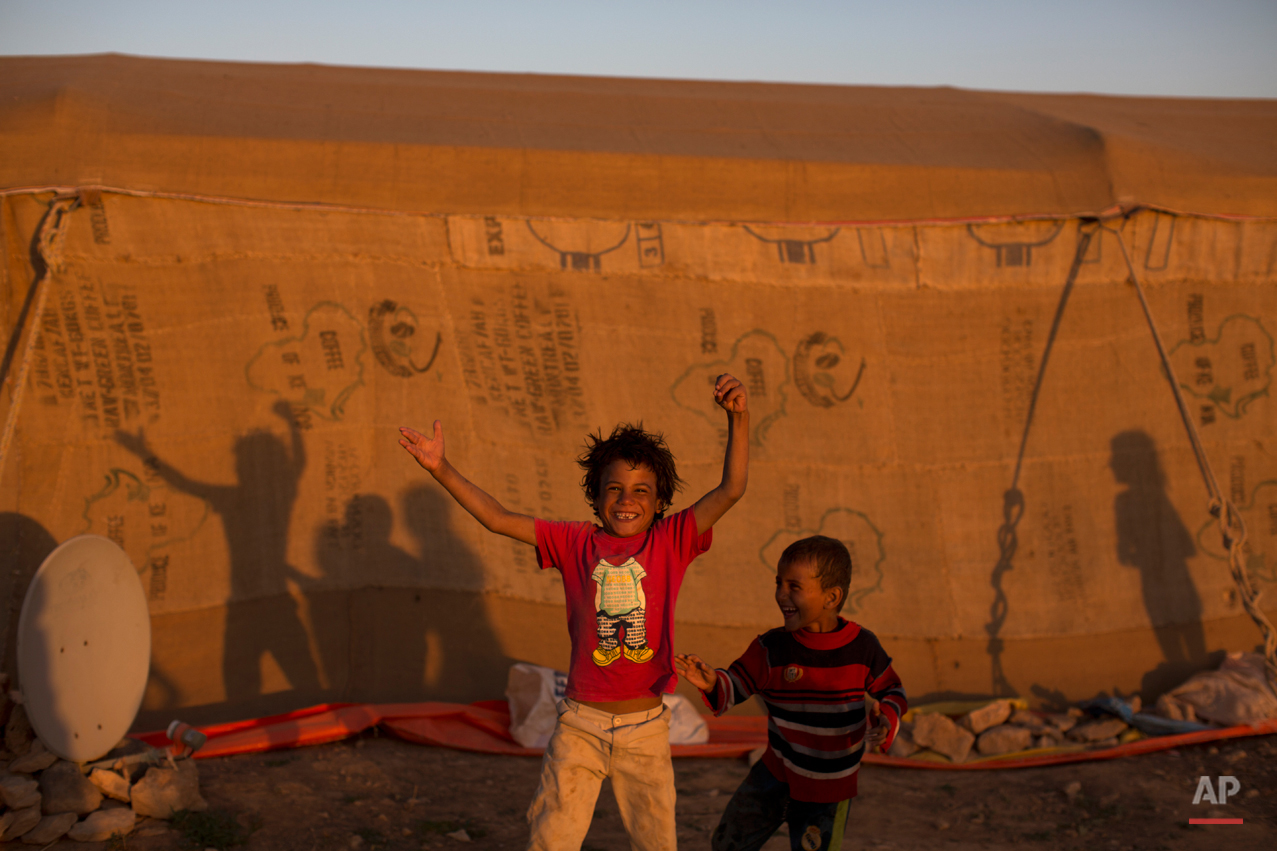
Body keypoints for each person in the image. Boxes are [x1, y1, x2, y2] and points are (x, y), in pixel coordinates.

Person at [399, 374, 749, 851]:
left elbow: (731, 489)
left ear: (661, 502)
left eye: (641, 491)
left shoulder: (672, 541)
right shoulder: (574, 542)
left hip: (645, 728)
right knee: (552, 836)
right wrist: (442, 468)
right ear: (596, 494)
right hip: (580, 724)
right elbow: (498, 518)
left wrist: (739, 417)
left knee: (656, 842)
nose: (627, 500)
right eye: (615, 489)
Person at [676, 535, 907, 851]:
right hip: (773, 775)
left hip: (829, 792)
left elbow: (893, 690)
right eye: (778, 583)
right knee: (728, 843)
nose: (781, 595)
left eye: (794, 587)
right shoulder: (771, 648)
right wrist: (711, 683)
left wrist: (887, 717)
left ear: (831, 597)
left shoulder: (862, 648)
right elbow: (735, 686)